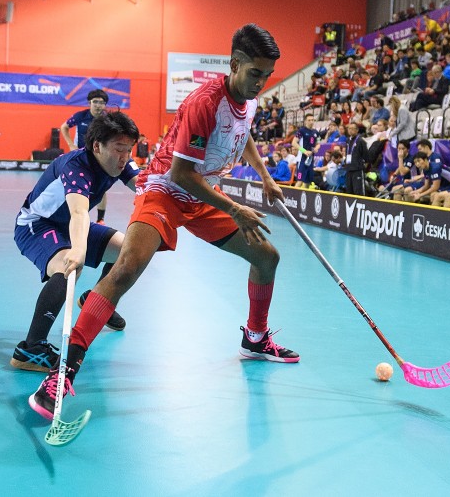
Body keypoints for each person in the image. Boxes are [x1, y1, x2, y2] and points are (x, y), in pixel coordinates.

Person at [29, 24, 295, 420]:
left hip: (204, 194)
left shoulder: (249, 97)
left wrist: (266, 177)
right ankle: (61, 373)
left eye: (267, 75)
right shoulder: (204, 103)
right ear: (234, 64)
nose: (261, 82)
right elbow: (181, 175)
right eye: (255, 73)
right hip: (166, 190)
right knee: (126, 271)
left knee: (267, 258)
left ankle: (255, 339)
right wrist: (236, 209)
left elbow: (245, 133)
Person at [11, 113, 140, 372]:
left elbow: (147, 188)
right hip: (37, 225)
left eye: (129, 149)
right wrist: (78, 250)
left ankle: (96, 298)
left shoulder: (120, 162)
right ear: (97, 146)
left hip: (68, 223)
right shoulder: (75, 166)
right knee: (69, 266)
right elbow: (79, 213)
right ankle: (31, 348)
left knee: (131, 252)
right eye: (118, 149)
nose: (124, 156)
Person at [60, 89, 111, 223]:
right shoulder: (80, 116)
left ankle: (100, 219)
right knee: (76, 188)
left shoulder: (108, 120)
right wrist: (71, 144)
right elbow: (64, 127)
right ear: (89, 103)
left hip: (100, 159)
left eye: (102, 102)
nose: (98, 105)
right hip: (80, 158)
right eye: (95, 102)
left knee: (101, 189)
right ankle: (71, 216)